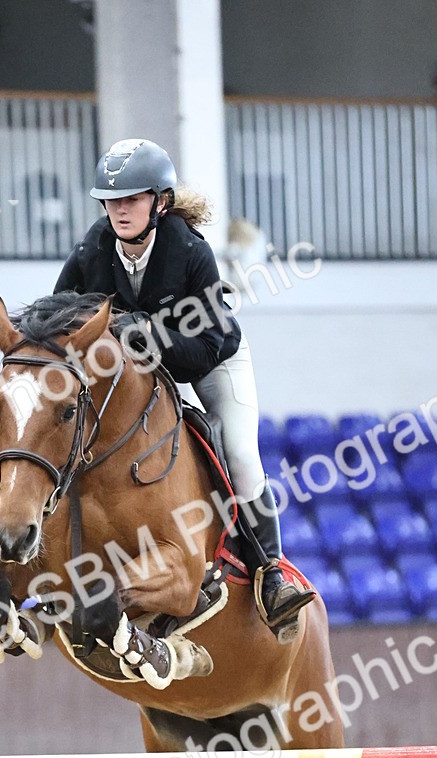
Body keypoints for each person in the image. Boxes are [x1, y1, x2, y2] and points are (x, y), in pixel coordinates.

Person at [54, 138, 315, 641]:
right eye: (111, 201)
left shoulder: (189, 251)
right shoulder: (92, 248)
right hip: (138, 370)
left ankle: (272, 574)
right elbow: (59, 317)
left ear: (161, 202)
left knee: (238, 451)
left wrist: (144, 332)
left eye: (131, 199)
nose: (120, 210)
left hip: (212, 359)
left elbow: (206, 345)